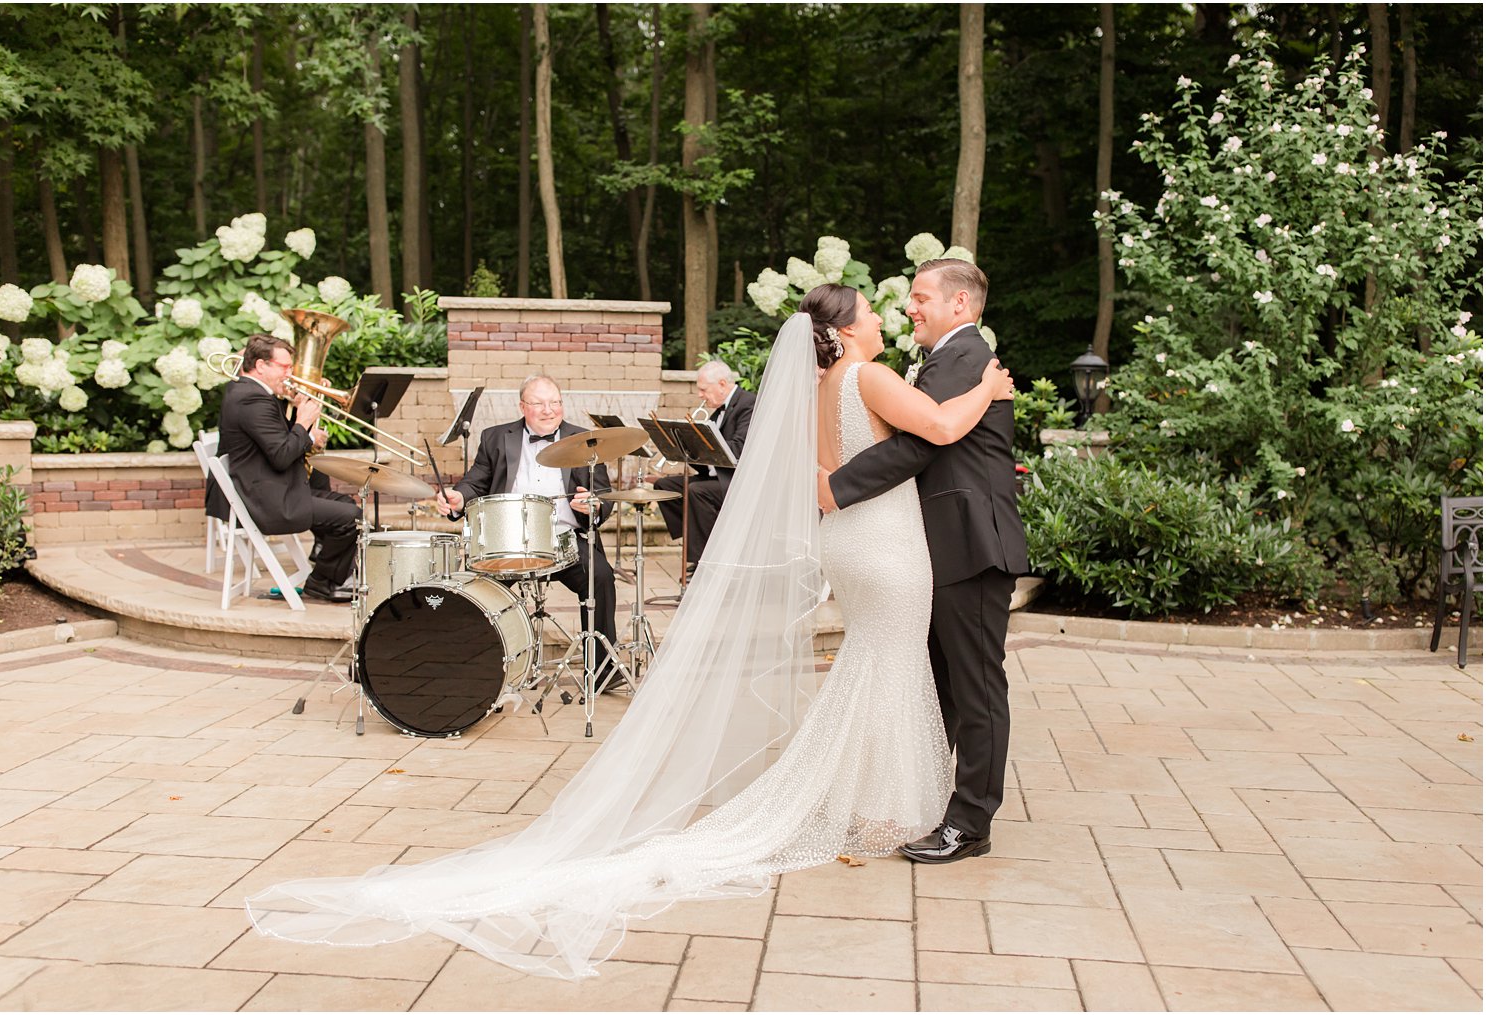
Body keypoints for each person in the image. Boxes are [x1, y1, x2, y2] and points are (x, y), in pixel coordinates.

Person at [246, 292, 1014, 980]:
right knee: (893, 664)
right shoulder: (874, 377)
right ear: (845, 333)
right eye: (877, 311)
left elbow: (822, 481)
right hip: (890, 544)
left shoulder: (818, 392)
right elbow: (936, 431)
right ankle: (884, 801)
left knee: (879, 663)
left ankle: (874, 798)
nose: (890, 314)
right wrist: (990, 386)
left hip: (854, 538)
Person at [820, 259, 1029, 864]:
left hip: (972, 541)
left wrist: (835, 488)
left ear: (959, 304)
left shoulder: (967, 358)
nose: (910, 307)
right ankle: (934, 804)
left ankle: (971, 823)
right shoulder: (947, 361)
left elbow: (918, 443)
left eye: (920, 297)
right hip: (939, 545)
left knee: (977, 687)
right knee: (942, 686)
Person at [433, 375, 620, 672]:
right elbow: (475, 482)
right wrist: (457, 498)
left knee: (600, 577)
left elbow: (604, 495)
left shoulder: (584, 439)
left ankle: (601, 670)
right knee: (480, 588)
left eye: (555, 402)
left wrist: (594, 506)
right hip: (508, 540)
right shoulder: (495, 437)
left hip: (564, 539)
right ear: (522, 406)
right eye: (539, 403)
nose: (549, 410)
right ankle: (489, 670)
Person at [204, 334, 360, 603]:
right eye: (285, 367)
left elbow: (276, 441)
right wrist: (304, 423)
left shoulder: (247, 391)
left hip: (267, 487)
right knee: (352, 516)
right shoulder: (252, 399)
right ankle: (324, 581)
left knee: (344, 503)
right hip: (264, 499)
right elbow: (281, 455)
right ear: (261, 366)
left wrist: (300, 418)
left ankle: (327, 578)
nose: (290, 374)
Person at [652, 360, 756, 573]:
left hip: (739, 481)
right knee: (666, 486)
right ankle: (699, 537)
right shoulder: (718, 410)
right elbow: (709, 455)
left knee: (696, 491)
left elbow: (738, 448)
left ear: (722, 384)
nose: (700, 395)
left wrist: (701, 445)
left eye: (703, 390)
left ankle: (704, 561)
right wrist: (685, 447)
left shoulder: (748, 404)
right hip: (718, 477)